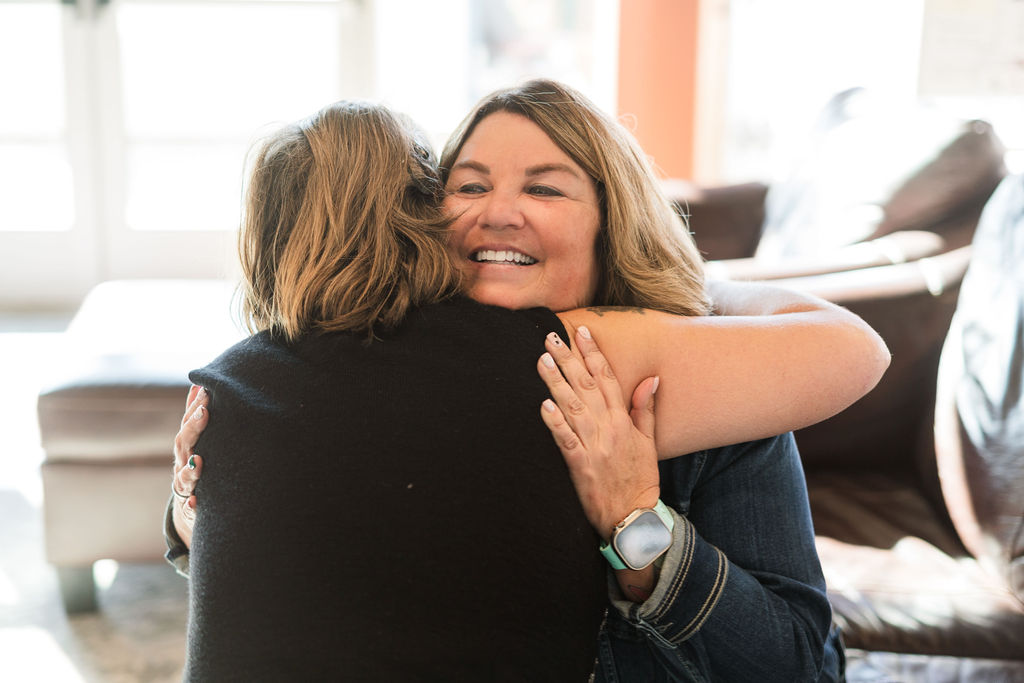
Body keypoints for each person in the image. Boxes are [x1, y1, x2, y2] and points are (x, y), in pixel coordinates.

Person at [169, 81, 889, 680]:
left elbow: (804, 669)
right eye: (466, 185)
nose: (497, 212)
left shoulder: (714, 385)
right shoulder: (342, 376)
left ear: (616, 222)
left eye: (544, 189)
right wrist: (195, 508)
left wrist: (644, 533)